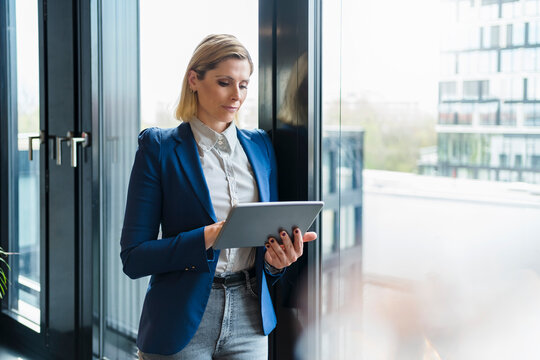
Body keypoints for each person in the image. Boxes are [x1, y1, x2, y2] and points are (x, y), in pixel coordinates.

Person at [120, 34, 317, 360]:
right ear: (194, 79)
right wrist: (208, 236)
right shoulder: (159, 148)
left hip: (250, 316)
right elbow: (134, 257)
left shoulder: (261, 147)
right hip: (180, 319)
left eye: (243, 85)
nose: (236, 95)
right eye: (225, 82)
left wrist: (275, 261)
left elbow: (262, 246)